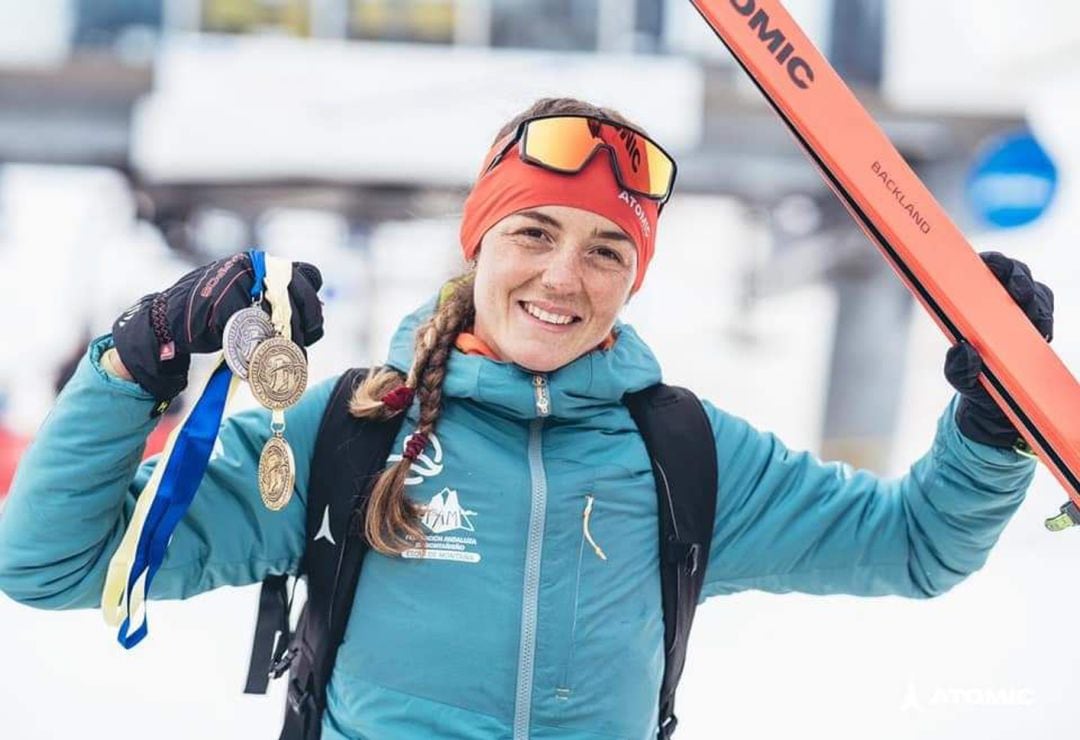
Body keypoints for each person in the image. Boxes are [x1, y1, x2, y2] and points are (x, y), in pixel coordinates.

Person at [0, 97, 1054, 740]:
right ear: (479, 245)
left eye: (608, 250)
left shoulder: (681, 450)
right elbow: (51, 560)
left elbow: (914, 547)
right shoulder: (350, 430)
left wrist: (993, 425)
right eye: (534, 232)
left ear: (634, 280)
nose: (564, 275)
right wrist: (137, 354)